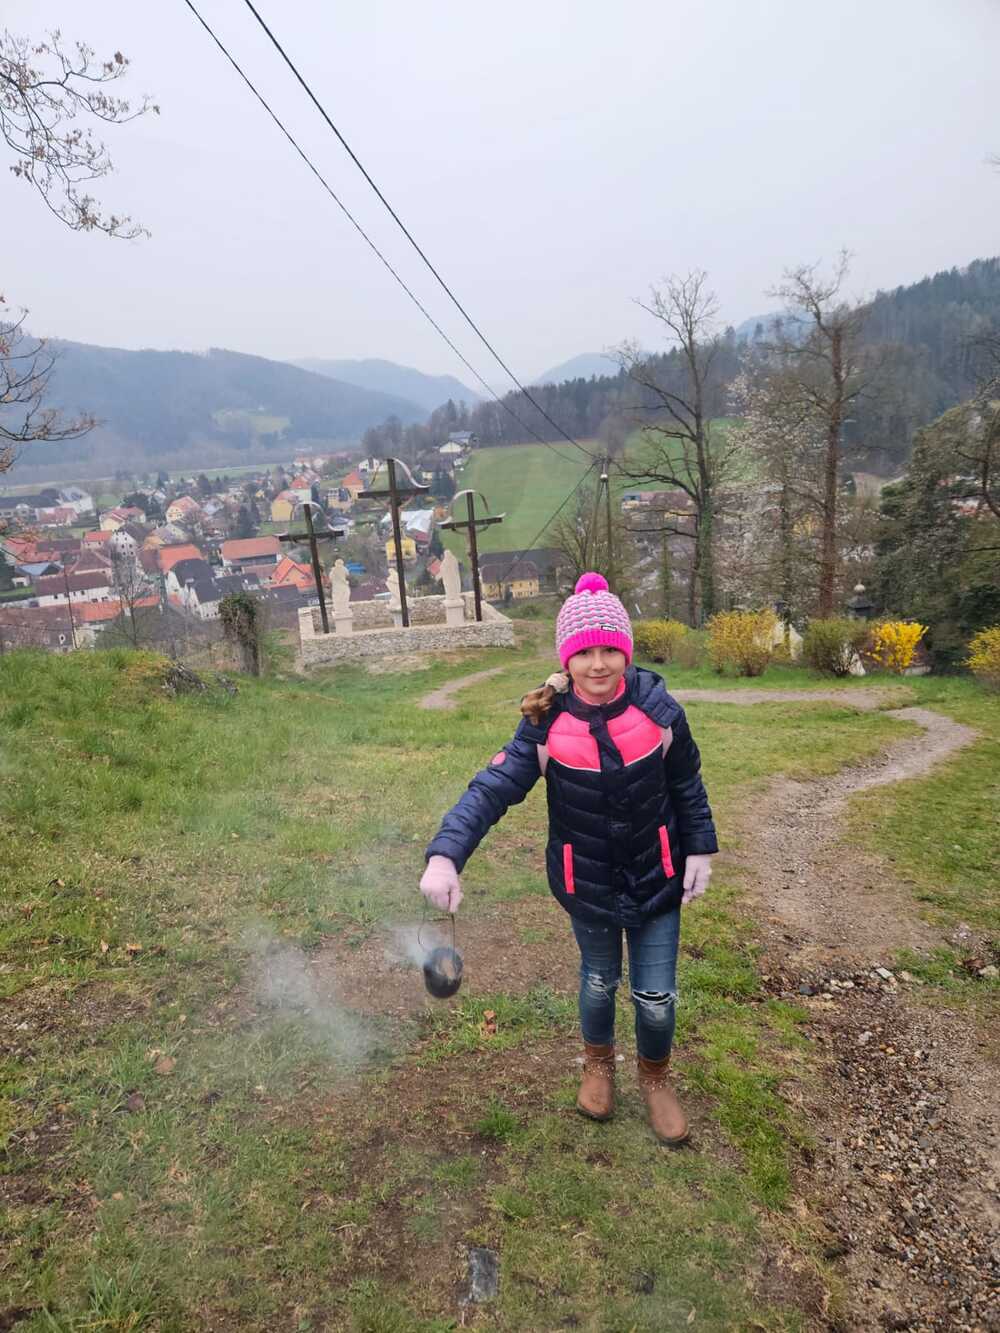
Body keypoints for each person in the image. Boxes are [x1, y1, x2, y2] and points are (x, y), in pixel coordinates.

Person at [420, 572, 717, 1146]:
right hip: (587, 882)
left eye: (610, 650)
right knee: (599, 981)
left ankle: (655, 1078)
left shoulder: (660, 712)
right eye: (584, 652)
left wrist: (700, 847)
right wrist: (445, 855)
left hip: (658, 877)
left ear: (626, 652)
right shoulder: (546, 723)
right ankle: (597, 1065)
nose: (598, 664)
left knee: (656, 999)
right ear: (567, 658)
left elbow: (687, 784)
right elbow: (491, 789)